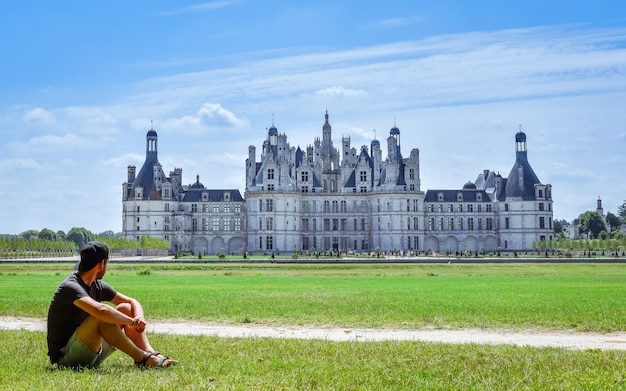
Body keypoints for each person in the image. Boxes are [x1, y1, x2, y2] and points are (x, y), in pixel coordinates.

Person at [47, 241, 176, 369]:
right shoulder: (70, 286)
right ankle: (142, 358)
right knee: (100, 317)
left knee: (126, 308)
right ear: (102, 264)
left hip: (90, 350)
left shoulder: (96, 285)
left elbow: (131, 301)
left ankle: (150, 353)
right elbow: (101, 311)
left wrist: (139, 317)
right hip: (66, 357)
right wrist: (131, 322)